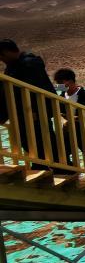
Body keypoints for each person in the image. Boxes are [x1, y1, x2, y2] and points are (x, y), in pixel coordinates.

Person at [0, 39, 60, 169]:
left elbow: (31, 87)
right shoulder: (14, 66)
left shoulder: (30, 63)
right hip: (23, 113)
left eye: (1, 56)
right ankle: (41, 166)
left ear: (6, 53)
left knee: (46, 141)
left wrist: (32, 110)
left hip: (37, 112)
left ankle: (62, 169)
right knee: (29, 142)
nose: (2, 60)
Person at [53, 68, 85, 170]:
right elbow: (59, 113)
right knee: (61, 152)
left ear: (70, 81)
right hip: (68, 132)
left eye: (60, 83)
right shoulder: (61, 97)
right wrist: (65, 121)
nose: (58, 86)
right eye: (57, 83)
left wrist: (77, 119)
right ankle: (70, 171)